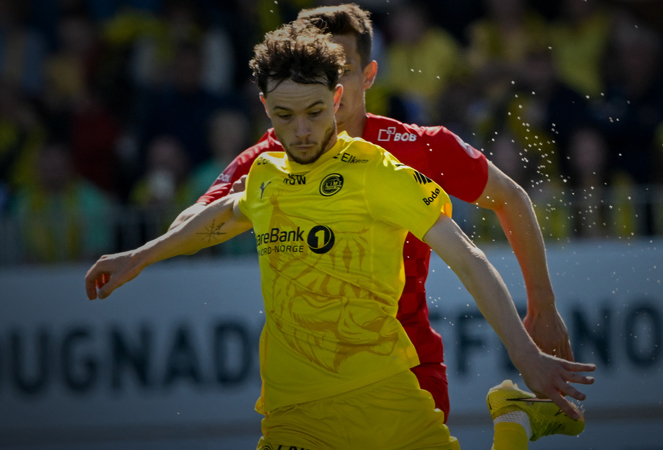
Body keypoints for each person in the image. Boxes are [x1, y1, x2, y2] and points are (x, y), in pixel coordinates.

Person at [86, 21, 595, 450]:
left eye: (314, 111)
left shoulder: (383, 168)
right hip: (292, 411)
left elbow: (468, 256)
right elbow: (222, 213)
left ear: (344, 91)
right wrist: (140, 255)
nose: (302, 130)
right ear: (266, 108)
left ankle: (512, 419)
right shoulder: (265, 169)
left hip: (389, 386)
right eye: (286, 116)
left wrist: (528, 345)